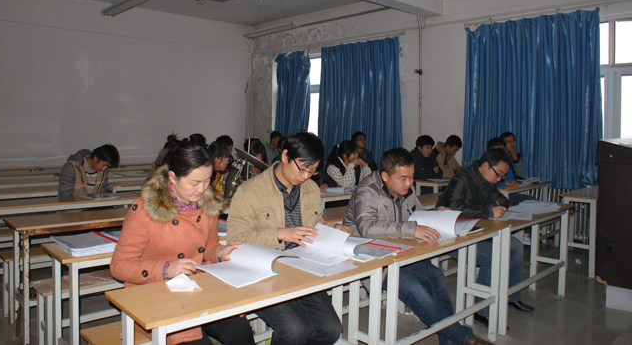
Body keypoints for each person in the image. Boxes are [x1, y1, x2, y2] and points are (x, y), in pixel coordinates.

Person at [342, 148, 491, 345]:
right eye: (403, 178)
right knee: (415, 290)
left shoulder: (406, 190)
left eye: (412, 177)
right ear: (385, 176)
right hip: (373, 258)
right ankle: (463, 338)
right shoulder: (367, 191)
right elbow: (367, 228)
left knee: (437, 277)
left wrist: (437, 214)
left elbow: (418, 213)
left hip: (400, 251)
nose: (409, 183)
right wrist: (411, 230)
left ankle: (449, 339)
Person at [110, 142, 254, 345]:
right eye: (194, 183)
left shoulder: (207, 204)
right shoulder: (145, 210)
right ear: (172, 178)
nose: (202, 189)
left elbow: (208, 246)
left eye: (207, 180)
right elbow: (119, 266)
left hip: (198, 287)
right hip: (157, 292)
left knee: (240, 331)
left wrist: (221, 252)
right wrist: (166, 269)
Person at [227, 131, 349, 345]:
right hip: (264, 272)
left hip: (304, 268)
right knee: (294, 330)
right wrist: (279, 234)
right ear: (285, 156)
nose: (305, 176)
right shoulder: (250, 191)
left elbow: (315, 225)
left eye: (312, 171)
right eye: (302, 168)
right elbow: (236, 240)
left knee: (331, 329)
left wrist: (333, 230)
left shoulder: (310, 188)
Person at [436, 148, 535, 328]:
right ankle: (481, 310)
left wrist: (491, 207)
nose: (499, 180)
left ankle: (512, 296)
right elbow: (454, 209)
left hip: (476, 229)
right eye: (498, 174)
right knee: (492, 256)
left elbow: (503, 200)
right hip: (453, 235)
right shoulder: (463, 178)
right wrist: (488, 212)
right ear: (486, 165)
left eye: (502, 176)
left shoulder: (486, 180)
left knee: (515, 246)